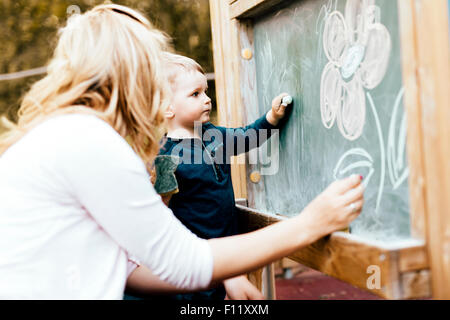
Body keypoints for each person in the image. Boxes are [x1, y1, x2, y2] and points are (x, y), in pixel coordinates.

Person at [0, 4, 364, 299]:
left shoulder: (67, 135)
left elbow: (131, 269)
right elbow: (180, 262)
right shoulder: (91, 142)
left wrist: (222, 272)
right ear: (133, 74)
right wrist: (310, 224)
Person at [150, 52, 291, 300]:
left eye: (205, 91)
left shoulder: (214, 136)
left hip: (229, 255)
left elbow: (248, 136)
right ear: (167, 107)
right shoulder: (165, 156)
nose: (207, 99)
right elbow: (159, 216)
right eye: (195, 94)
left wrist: (272, 118)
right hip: (195, 265)